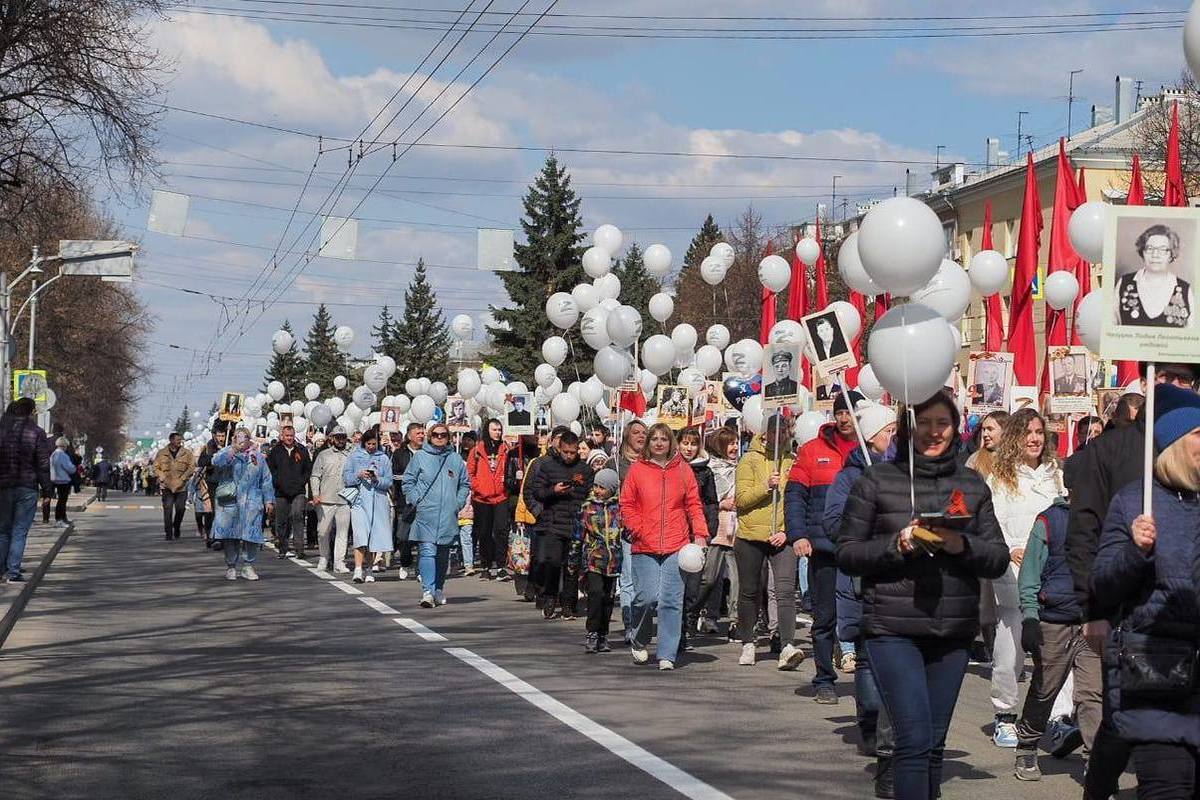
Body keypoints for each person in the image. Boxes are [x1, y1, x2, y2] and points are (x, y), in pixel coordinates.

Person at [837, 389, 1009, 800]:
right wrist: (895, 545)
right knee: (912, 742)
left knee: (933, 747)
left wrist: (959, 545)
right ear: (908, 426)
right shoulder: (876, 480)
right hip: (893, 628)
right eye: (925, 422)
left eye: (943, 423)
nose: (934, 432)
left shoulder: (972, 484)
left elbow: (998, 558)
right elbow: (847, 553)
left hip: (952, 631)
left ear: (955, 427)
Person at [1065, 363, 1199, 799]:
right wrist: (1135, 552)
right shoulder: (1135, 502)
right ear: (1177, 443)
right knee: (1167, 787)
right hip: (1156, 672)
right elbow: (1103, 579)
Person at [822, 402, 897, 787]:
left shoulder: (905, 472)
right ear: (872, 437)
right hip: (864, 576)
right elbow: (834, 521)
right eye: (887, 432)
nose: (894, 437)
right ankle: (869, 718)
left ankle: (892, 730)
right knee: (868, 652)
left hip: (900, 579)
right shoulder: (850, 477)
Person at [982, 408, 1066, 747]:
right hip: (1015, 571)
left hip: (1054, 573)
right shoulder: (1001, 478)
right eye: (1027, 433)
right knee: (1012, 647)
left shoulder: (1055, 475)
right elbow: (992, 523)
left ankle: (1060, 718)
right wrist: (1010, 549)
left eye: (1038, 432)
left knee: (1059, 648)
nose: (1034, 439)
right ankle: (1005, 714)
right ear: (1015, 438)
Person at [786, 390, 863, 702]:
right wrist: (798, 535)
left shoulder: (873, 452)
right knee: (825, 617)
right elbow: (794, 496)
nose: (844, 418)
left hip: (863, 550)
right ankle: (824, 680)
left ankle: (869, 677)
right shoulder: (811, 450)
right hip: (825, 548)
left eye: (851, 412)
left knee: (865, 616)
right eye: (840, 412)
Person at [1011, 494, 1094, 781]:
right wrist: (1031, 616)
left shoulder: (1111, 515)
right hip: (1054, 620)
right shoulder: (1050, 520)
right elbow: (1030, 574)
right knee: (1046, 688)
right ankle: (1027, 745)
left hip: (1093, 622)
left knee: (1093, 695)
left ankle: (1096, 764)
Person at [620, 422, 708, 670]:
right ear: (648, 443)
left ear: (671, 443)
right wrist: (638, 528)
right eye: (654, 439)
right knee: (645, 598)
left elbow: (693, 504)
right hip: (644, 544)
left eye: (664, 439)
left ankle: (667, 653)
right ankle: (639, 639)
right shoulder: (637, 470)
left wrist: (699, 534)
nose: (659, 443)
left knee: (671, 600)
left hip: (675, 543)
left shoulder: (683, 470)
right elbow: (627, 503)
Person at [734, 414, 804, 669]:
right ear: (765, 434)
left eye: (784, 431)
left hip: (782, 537)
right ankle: (748, 642)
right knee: (750, 591)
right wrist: (766, 486)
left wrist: (787, 531)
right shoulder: (749, 460)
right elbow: (741, 500)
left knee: (785, 591)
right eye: (774, 431)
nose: (779, 435)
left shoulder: (793, 462)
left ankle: (786, 645)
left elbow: (796, 501)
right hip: (751, 536)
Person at [401, 422, 470, 608]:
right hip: (426, 514)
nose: (440, 438)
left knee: (442, 554)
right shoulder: (420, 457)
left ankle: (439, 588)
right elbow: (408, 481)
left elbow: (465, 484)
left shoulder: (455, 459)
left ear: (449, 437)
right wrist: (415, 499)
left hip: (448, 514)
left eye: (443, 435)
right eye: (436, 435)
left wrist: (457, 502)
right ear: (430, 437)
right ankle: (427, 591)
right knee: (427, 551)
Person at [529, 430, 593, 619]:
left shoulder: (585, 470)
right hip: (553, 523)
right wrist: (553, 491)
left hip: (576, 525)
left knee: (572, 567)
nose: (569, 456)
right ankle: (550, 597)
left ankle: (568, 604)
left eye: (573, 452)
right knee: (553, 563)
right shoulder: (548, 467)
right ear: (560, 448)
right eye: (566, 452)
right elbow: (537, 492)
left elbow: (590, 495)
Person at [691, 426, 739, 638]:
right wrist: (723, 503)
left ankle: (737, 621)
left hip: (737, 530)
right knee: (710, 578)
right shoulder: (710, 468)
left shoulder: (741, 467)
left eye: (737, 442)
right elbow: (707, 499)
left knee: (738, 580)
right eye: (730, 443)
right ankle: (693, 613)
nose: (735, 447)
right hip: (717, 529)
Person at [210, 428, 275, 581]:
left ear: (249, 438)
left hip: (252, 502)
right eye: (238, 437)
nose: (242, 440)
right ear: (233, 438)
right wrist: (233, 449)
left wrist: (269, 500)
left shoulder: (257, 457)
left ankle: (248, 566)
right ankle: (231, 566)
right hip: (230, 502)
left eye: (245, 437)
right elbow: (216, 463)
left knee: (250, 536)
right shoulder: (227, 452)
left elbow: (266, 479)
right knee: (230, 537)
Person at [677, 427, 719, 651]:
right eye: (685, 443)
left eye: (693, 444)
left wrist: (708, 530)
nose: (689, 448)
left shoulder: (705, 472)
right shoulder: (671, 467)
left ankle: (688, 619)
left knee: (696, 583)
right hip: (675, 531)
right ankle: (678, 629)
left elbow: (711, 503)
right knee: (676, 584)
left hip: (696, 533)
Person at [0, 398, 50, 583]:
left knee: (3, 530)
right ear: (30, 412)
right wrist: (47, 491)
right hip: (27, 486)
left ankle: (1, 569)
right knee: (19, 530)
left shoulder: (2, 430)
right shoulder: (36, 432)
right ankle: (13, 572)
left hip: (3, 486)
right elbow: (43, 463)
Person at [579, 468, 625, 653]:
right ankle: (591, 632)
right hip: (594, 559)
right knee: (596, 594)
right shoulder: (587, 507)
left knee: (608, 599)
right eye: (596, 486)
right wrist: (574, 560)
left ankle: (603, 634)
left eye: (603, 487)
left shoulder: (619, 509)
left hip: (613, 561)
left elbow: (626, 531)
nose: (598, 490)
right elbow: (577, 533)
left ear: (612, 489)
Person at [1114, 223, 1195, 328]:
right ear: (1142, 252)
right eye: (1150, 248)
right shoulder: (1124, 283)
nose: (1155, 255)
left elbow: (1193, 337)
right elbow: (1111, 328)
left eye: (1162, 249)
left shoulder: (1185, 290)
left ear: (1171, 255)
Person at [342, 428, 394, 585]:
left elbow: (389, 481)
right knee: (360, 535)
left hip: (378, 501)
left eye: (374, 444)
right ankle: (358, 569)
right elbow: (346, 478)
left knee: (373, 536)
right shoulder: (354, 456)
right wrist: (358, 475)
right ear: (363, 443)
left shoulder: (383, 458)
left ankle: (370, 569)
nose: (371, 446)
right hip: (359, 500)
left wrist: (377, 478)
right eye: (369, 443)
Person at [466, 418, 511, 580]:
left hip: (501, 496)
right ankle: (485, 565)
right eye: (494, 430)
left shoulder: (506, 448)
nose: (497, 433)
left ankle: (501, 566)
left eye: (499, 430)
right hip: (482, 498)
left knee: (501, 531)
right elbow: (469, 473)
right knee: (484, 532)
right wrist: (478, 487)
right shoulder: (477, 450)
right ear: (487, 430)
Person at [309, 426, 353, 574]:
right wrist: (315, 494)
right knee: (322, 532)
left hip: (345, 500)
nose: (341, 440)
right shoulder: (323, 455)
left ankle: (339, 562)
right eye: (338, 437)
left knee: (342, 532)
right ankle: (324, 557)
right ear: (332, 438)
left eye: (343, 437)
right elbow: (315, 476)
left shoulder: (351, 455)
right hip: (326, 499)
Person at [265, 425, 313, 559]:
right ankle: (282, 547)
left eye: (291, 436)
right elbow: (270, 469)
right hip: (281, 492)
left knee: (298, 516)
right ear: (282, 436)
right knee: (281, 521)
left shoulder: (301, 450)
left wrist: (302, 481)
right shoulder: (275, 451)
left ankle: (299, 549)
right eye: (287, 436)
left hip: (298, 491)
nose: (289, 438)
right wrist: (277, 482)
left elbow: (308, 469)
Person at [391, 422, 426, 580]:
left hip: (424, 502)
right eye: (418, 433)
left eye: (422, 433)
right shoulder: (400, 453)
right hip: (405, 502)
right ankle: (405, 563)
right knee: (403, 537)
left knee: (423, 538)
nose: (421, 436)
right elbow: (394, 476)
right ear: (409, 435)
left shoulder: (428, 452)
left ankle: (421, 569)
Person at [153, 432, 195, 540]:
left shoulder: (187, 453)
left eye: (180, 440)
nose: (179, 442)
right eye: (177, 440)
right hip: (167, 486)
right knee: (168, 509)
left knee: (180, 509)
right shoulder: (162, 453)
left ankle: (176, 526)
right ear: (171, 440)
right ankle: (168, 532)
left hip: (181, 486)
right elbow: (155, 467)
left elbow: (191, 467)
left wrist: (184, 477)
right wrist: (161, 476)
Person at [191, 439, 218, 547]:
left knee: (219, 513)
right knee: (209, 513)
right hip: (207, 486)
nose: (221, 438)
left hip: (223, 485)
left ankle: (218, 537)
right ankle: (209, 535)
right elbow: (201, 463)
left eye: (223, 435)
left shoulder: (229, 447)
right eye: (219, 435)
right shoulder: (208, 448)